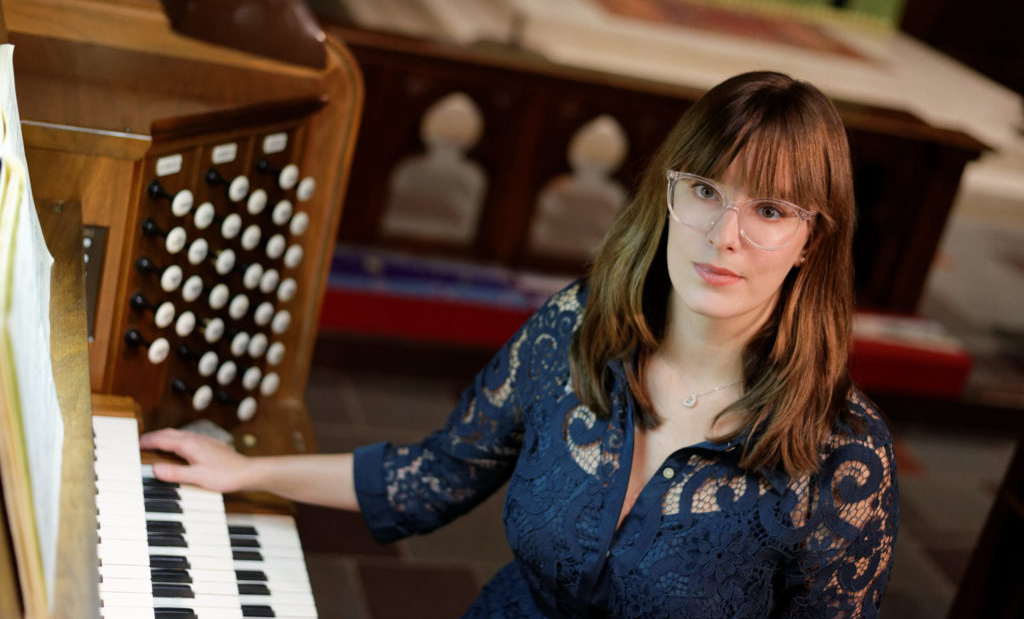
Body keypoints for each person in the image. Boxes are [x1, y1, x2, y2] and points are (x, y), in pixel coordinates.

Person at [141, 71, 898, 617]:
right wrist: (246, 470)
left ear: (809, 241)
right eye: (703, 190)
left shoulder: (844, 454)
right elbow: (436, 474)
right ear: (669, 194)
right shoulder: (577, 328)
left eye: (767, 210)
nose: (721, 236)